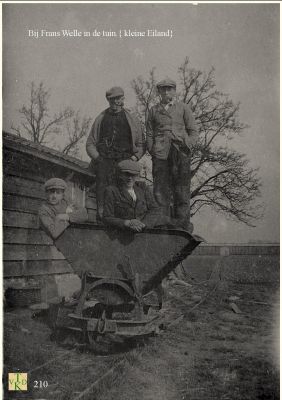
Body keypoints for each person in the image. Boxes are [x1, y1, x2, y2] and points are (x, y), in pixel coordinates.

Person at [146, 78, 199, 232]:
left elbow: (193, 132)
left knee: (181, 189)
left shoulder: (183, 108)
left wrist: (187, 145)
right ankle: (162, 222)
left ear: (175, 91)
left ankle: (182, 224)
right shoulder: (153, 110)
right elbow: (149, 133)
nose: (166, 92)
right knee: (160, 189)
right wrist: (152, 150)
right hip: (161, 154)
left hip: (180, 153)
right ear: (159, 92)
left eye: (169, 89)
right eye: (163, 89)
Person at [86, 86, 145, 221]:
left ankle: (123, 220)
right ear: (108, 100)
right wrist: (98, 158)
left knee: (124, 190)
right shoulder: (100, 118)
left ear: (123, 99)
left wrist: (134, 157)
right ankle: (102, 218)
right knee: (103, 191)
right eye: (112, 100)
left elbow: (141, 144)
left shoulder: (133, 119)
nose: (115, 103)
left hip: (125, 161)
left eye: (118, 99)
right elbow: (90, 143)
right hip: (104, 160)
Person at [103, 159, 176, 232]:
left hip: (144, 230)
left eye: (133, 175)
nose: (130, 178)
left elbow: (154, 209)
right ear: (120, 175)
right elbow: (107, 217)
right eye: (126, 174)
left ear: (137, 175)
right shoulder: (111, 190)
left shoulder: (143, 189)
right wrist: (127, 223)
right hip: (122, 233)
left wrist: (143, 224)